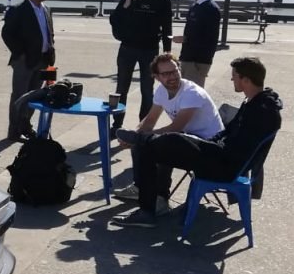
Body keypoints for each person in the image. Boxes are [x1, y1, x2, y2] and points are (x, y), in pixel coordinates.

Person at [111, 56, 283, 228]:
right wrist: (210, 144)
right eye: (166, 73)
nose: (232, 80)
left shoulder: (262, 112)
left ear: (246, 80)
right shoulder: (253, 102)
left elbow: (239, 150)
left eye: (234, 76)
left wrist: (209, 146)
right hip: (218, 153)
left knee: (170, 139)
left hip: (226, 166)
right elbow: (228, 133)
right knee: (156, 145)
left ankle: (148, 203)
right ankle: (149, 204)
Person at [113, 52, 223, 202]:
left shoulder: (191, 93)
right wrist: (135, 134)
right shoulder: (161, 91)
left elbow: (176, 127)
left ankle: (160, 198)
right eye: (165, 74)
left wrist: (143, 137)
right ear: (157, 77)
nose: (172, 77)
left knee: (162, 147)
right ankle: (140, 188)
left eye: (174, 71)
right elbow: (150, 120)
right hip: (188, 138)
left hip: (209, 147)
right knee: (140, 144)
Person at [109, 0, 173, 128]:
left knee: (147, 90)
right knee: (121, 88)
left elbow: (167, 27)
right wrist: (126, 5)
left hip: (150, 50)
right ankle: (117, 124)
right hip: (127, 48)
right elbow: (115, 19)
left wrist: (167, 51)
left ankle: (143, 126)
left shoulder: (163, 0)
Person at [1, 0, 55, 141]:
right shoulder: (18, 10)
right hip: (24, 61)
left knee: (37, 95)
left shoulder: (46, 9)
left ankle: (25, 126)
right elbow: (7, 34)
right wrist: (20, 53)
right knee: (19, 96)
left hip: (44, 60)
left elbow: (49, 34)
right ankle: (14, 132)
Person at [174, 0, 220, 86]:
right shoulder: (195, 5)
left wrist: (185, 39)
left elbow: (210, 38)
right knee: (184, 92)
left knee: (192, 93)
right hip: (188, 57)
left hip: (197, 61)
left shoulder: (211, 8)